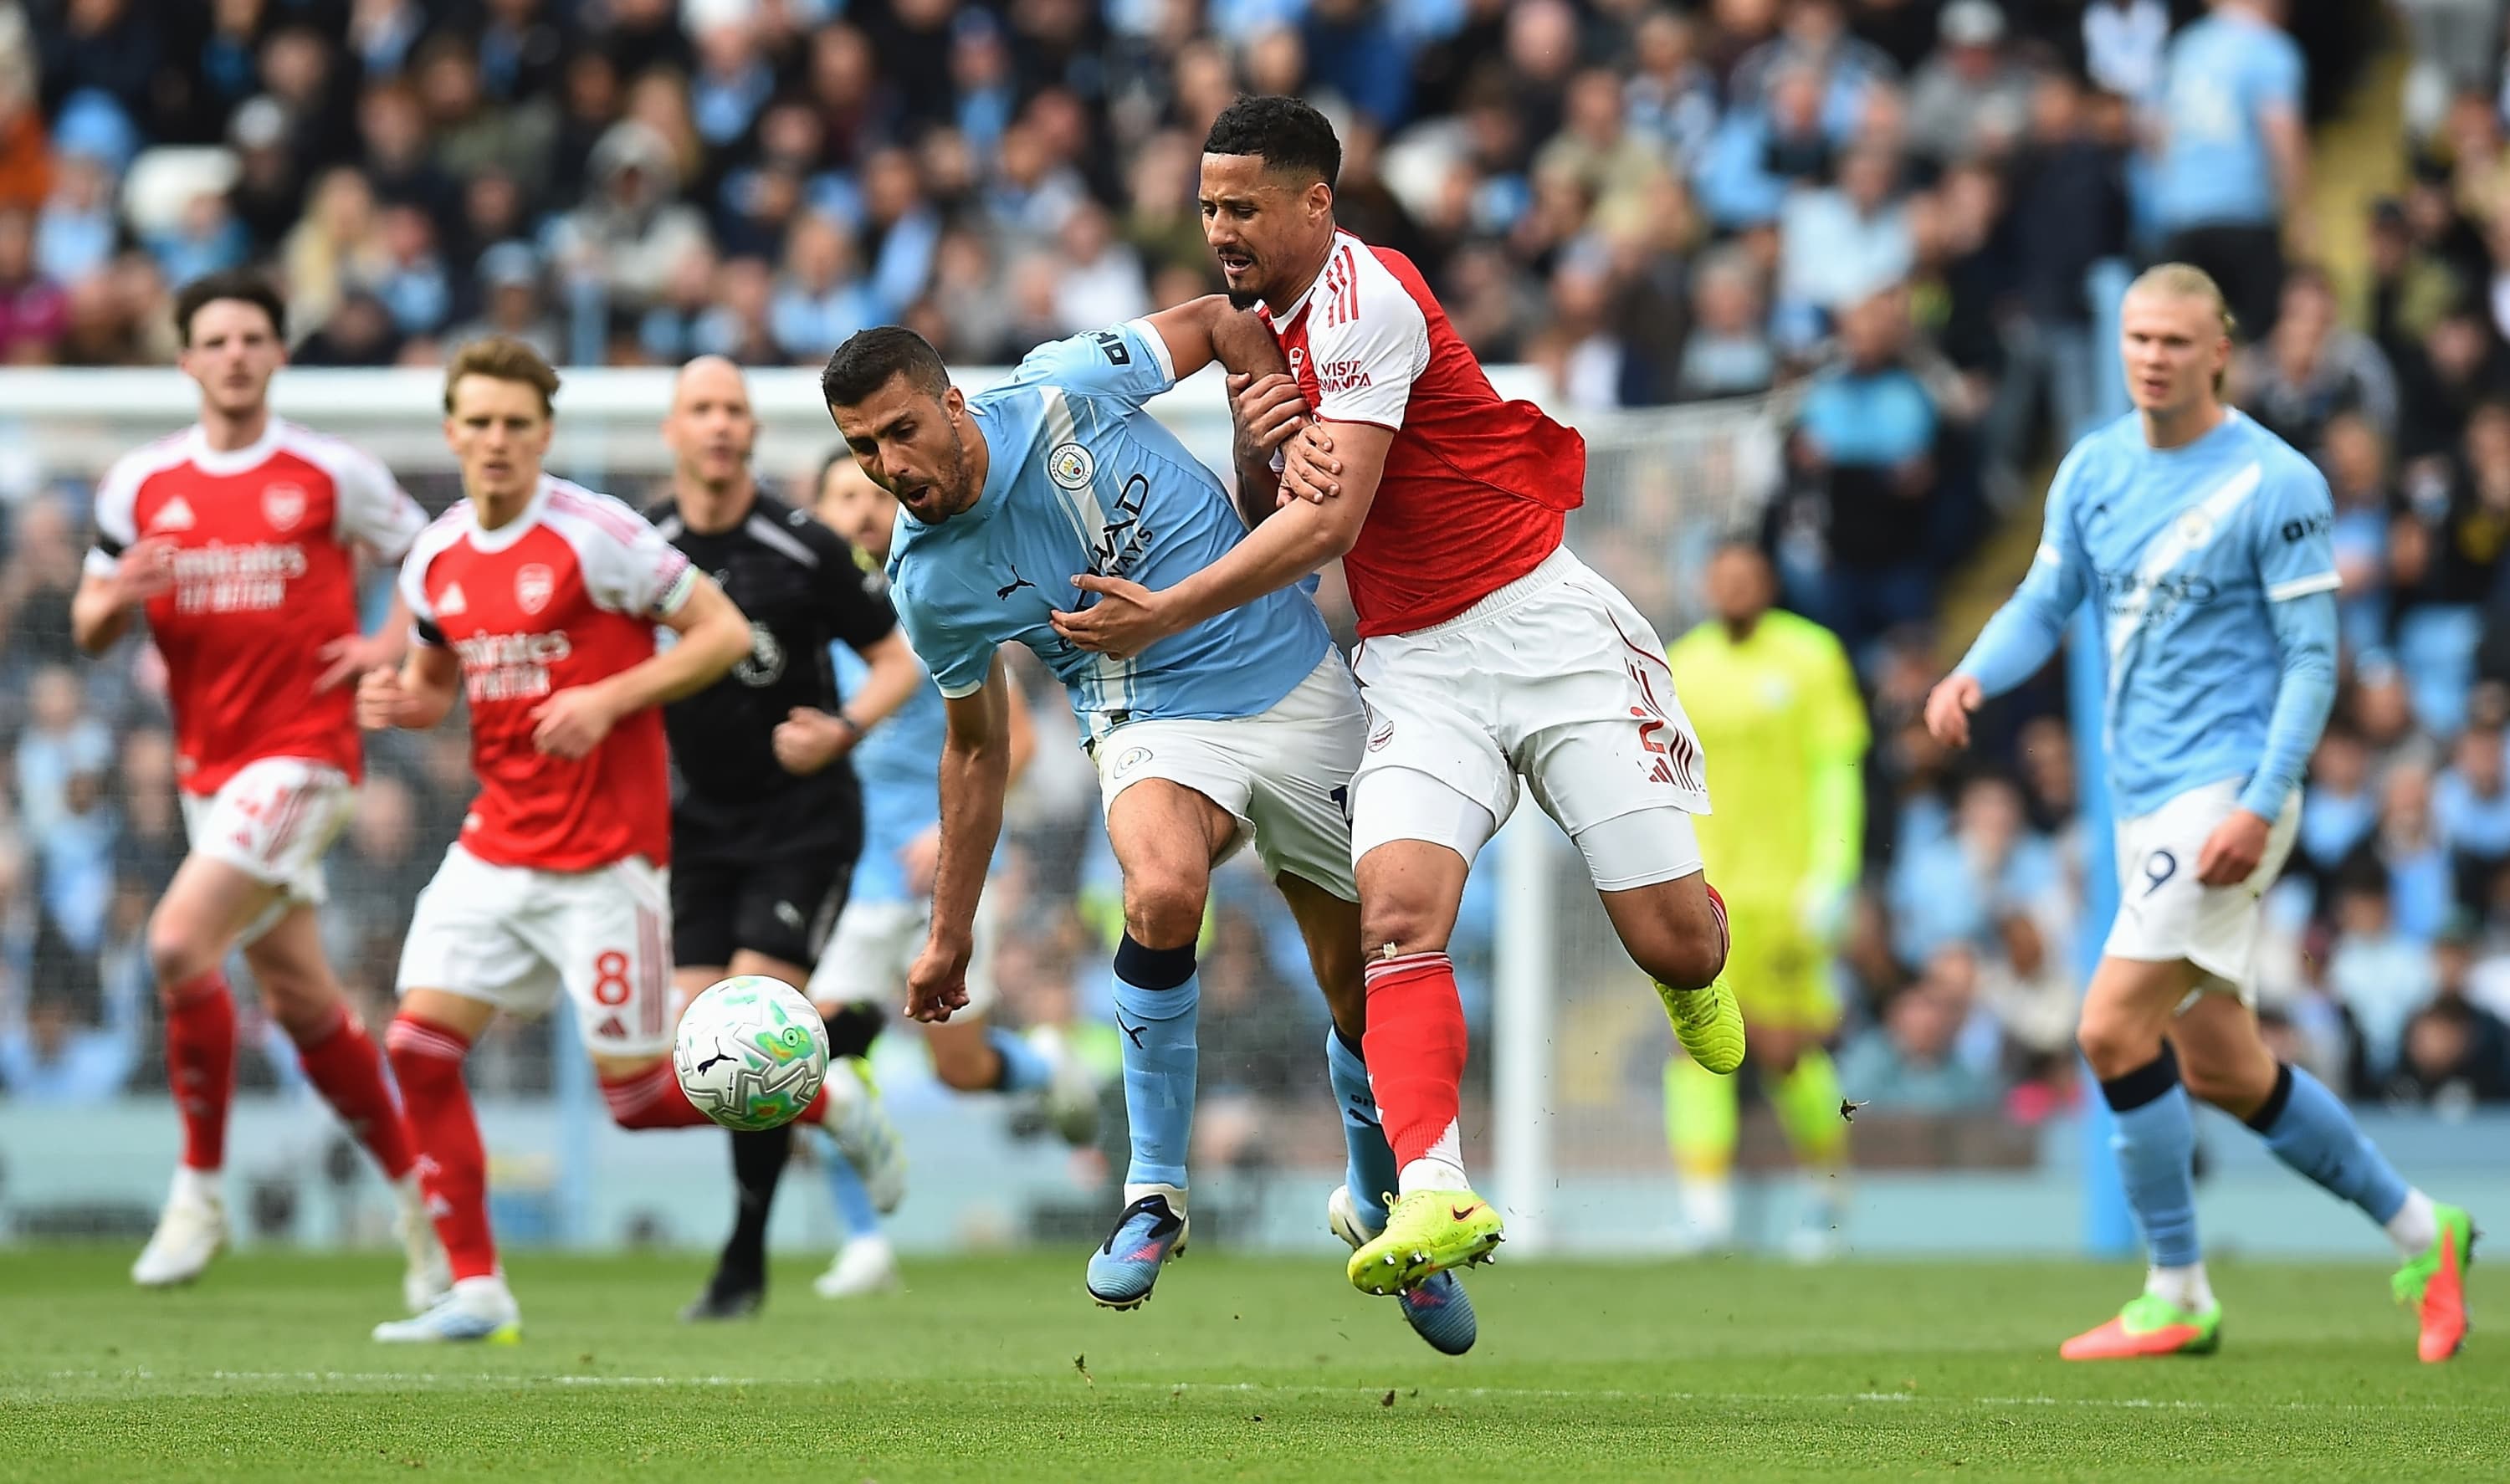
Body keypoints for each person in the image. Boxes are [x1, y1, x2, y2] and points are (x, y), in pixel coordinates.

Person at [1049, 95, 1744, 1299]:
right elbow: (1284, 512)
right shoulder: (1271, 323)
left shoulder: (1369, 296)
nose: (1221, 227)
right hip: (1418, 662)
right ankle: (1433, 1187)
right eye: (1209, 205)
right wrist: (1259, 441)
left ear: (1316, 202)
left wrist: (1168, 607)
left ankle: (1695, 957)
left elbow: (1336, 520)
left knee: (1668, 937)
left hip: (1545, 632)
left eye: (1244, 206)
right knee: (1396, 915)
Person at [818, 302, 1478, 1355]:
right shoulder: (929, 580)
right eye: (862, 449)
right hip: (1147, 713)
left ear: (953, 402)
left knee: (1361, 982)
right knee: (1163, 890)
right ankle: (1154, 1195)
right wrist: (950, 932)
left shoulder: (1066, 384)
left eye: (901, 431)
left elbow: (1225, 322)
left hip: (1294, 681)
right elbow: (978, 750)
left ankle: (1382, 1201)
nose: (888, 465)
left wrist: (1264, 437)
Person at [1925, 264, 2475, 1364]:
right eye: (2138, 336)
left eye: (2176, 339)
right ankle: (2428, 1231)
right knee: (2224, 1066)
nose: (2153, 357)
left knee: (2107, 1027)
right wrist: (1972, 671)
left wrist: (2262, 805)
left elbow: (2315, 661)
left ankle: (2177, 1287)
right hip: (2144, 802)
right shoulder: (2093, 467)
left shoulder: (2276, 481)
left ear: (2220, 348)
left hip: (2227, 792)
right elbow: (2046, 597)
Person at [357, 337, 838, 1343]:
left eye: (515, 425)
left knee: (636, 1099)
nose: (495, 442)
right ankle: (478, 1290)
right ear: (451, 432)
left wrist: (608, 698)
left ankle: (823, 1101)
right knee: (417, 1049)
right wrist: (401, 701)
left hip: (606, 858)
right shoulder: (434, 556)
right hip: (493, 846)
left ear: (545, 436)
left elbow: (721, 634)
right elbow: (439, 685)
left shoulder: (598, 534)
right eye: (478, 423)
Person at [69, 269, 445, 1309]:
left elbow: (432, 552)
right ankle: (427, 1201)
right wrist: (118, 599)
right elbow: (89, 620)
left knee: (179, 943)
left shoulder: (329, 471)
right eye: (216, 340)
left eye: (253, 339)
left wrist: (381, 640)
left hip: (306, 757)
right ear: (185, 358)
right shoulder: (138, 484)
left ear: (279, 354)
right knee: (301, 998)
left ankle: (198, 1190)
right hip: (208, 768)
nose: (235, 355)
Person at [648, 356, 925, 1322]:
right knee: (695, 1054)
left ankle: (741, 1260)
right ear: (673, 430)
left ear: (752, 433)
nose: (719, 424)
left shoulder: (802, 544)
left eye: (735, 408)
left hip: (801, 823)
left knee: (740, 1021)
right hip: (696, 826)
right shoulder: (645, 548)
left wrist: (841, 730)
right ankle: (840, 1074)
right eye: (701, 408)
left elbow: (895, 661)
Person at [807, 451, 1100, 1302]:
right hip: (850, 882)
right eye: (840, 500)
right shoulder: (811, 626)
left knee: (956, 1069)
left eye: (871, 495)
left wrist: (947, 838)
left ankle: (1044, 1070)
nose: (859, 513)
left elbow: (1027, 744)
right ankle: (865, 1241)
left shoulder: (937, 597)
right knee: (820, 1057)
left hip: (944, 876)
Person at [1662, 543, 1869, 1259]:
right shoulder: (1683, 665)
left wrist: (1833, 870)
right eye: (1721, 577)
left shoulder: (1811, 657)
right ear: (1705, 585)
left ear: (1768, 583)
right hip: (1705, 892)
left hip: (1786, 890)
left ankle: (1828, 1197)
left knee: (1784, 1052)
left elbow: (1835, 768)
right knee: (1692, 1047)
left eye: (1745, 576)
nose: (1733, 588)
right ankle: (1705, 1212)